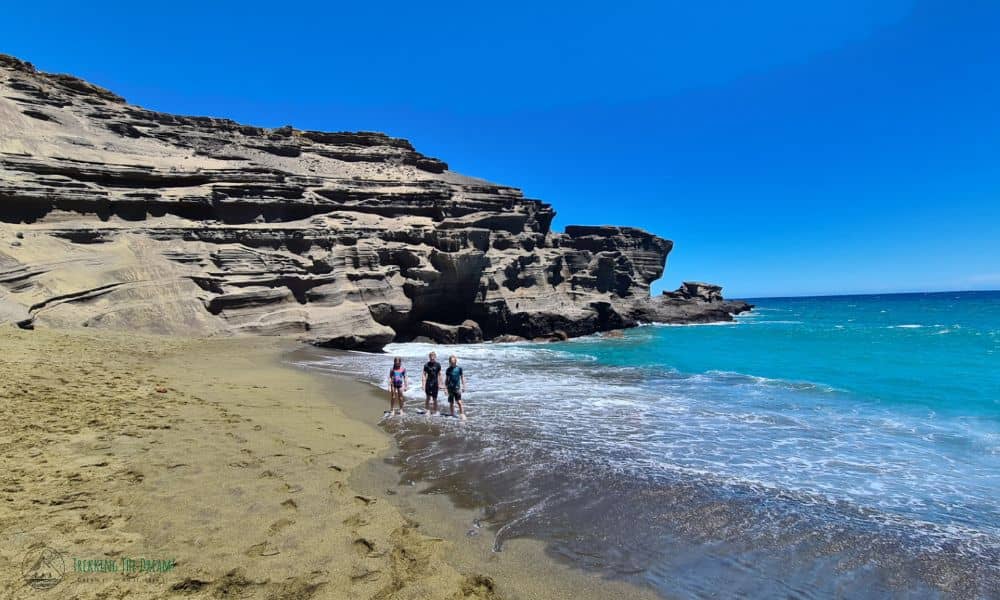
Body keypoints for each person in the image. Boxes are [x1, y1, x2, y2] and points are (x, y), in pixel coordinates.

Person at [444, 355, 466, 419]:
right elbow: (446, 379)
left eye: (454, 361)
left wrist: (464, 386)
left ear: (456, 361)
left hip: (457, 388)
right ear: (449, 362)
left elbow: (462, 377)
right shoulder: (448, 370)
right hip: (450, 388)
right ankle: (452, 414)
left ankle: (462, 414)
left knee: (459, 402)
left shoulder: (459, 369)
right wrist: (445, 388)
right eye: (451, 362)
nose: (453, 363)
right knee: (451, 402)